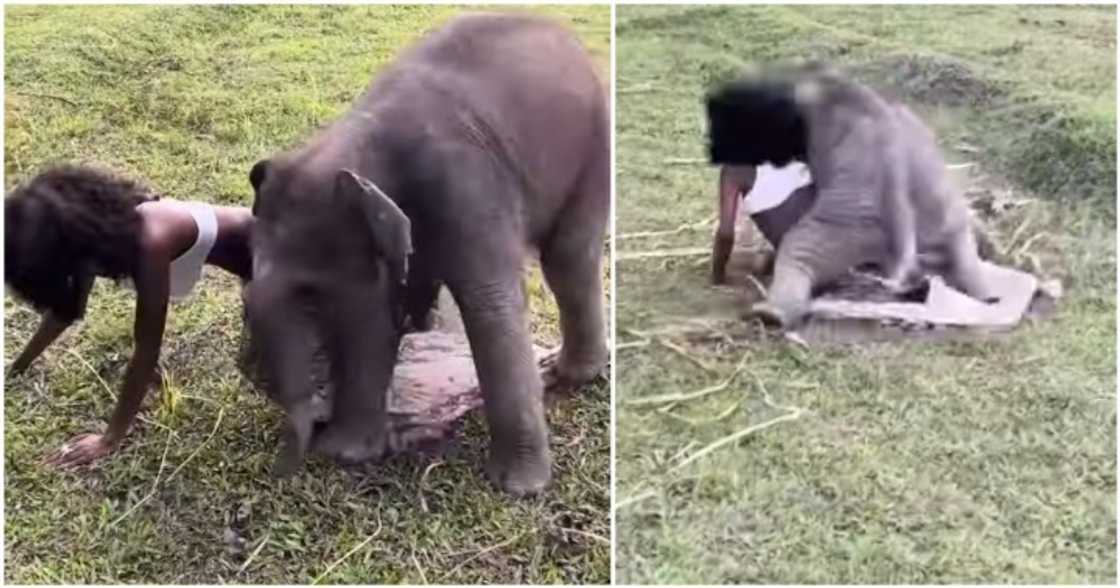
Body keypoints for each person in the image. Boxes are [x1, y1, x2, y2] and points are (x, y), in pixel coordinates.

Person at [5, 164, 253, 466]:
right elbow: (65, 312)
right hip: (257, 263)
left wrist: (109, 439)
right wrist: (18, 366)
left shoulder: (151, 241)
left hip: (282, 258)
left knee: (281, 363)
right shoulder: (88, 243)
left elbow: (148, 348)